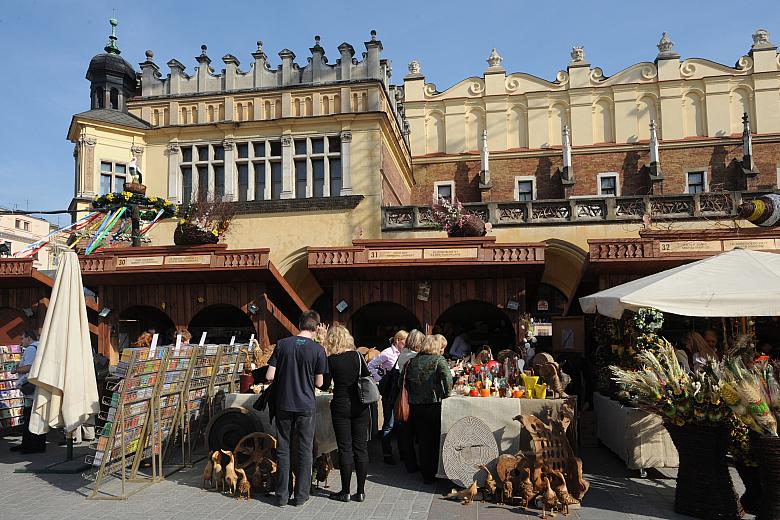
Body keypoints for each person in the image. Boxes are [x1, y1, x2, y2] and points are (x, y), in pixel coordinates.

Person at [266, 310, 328, 508]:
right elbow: (319, 383)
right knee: (304, 449)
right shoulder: (318, 350)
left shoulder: (283, 344)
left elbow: (269, 376)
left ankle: (282, 495)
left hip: (284, 404)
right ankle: (301, 496)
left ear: (299, 324)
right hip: (305, 405)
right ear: (317, 327)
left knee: (283, 449)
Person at [320, 325, 370, 503]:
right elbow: (367, 375)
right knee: (361, 448)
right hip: (361, 405)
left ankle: (346, 491)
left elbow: (324, 385)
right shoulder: (357, 356)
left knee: (345, 448)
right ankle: (361, 491)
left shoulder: (331, 359)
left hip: (341, 405)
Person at [405, 334, 453, 484]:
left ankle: (427, 474)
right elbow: (448, 379)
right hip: (433, 404)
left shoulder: (412, 361)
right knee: (434, 439)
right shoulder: (439, 360)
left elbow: (406, 382)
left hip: (415, 404)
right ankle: (435, 472)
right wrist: (446, 395)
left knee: (423, 440)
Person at [368, 329, 407, 464]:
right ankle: (387, 454)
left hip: (400, 393)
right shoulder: (387, 353)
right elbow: (370, 366)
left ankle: (403, 453)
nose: (406, 344)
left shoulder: (405, 354)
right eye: (404, 342)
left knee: (401, 423)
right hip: (390, 393)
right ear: (397, 340)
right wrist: (381, 377)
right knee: (389, 424)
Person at [10, 330, 46, 453]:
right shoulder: (40, 347)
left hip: (30, 387)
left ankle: (32, 445)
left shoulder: (31, 349)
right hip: (36, 387)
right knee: (34, 415)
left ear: (29, 338)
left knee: (30, 415)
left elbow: (29, 367)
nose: (21, 341)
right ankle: (31, 443)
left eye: (22, 338)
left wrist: (16, 370)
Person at [396, 329, 425, 473]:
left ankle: (409, 462)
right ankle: (415, 463)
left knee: (406, 433)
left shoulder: (403, 354)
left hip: (404, 394)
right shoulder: (415, 358)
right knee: (416, 431)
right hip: (412, 397)